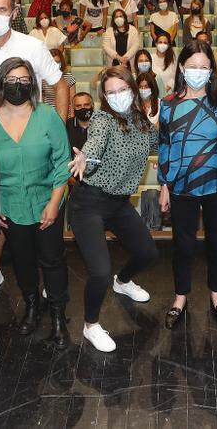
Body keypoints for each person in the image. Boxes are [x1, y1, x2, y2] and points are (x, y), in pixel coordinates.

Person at [0, 59, 71, 348]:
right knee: (22, 260)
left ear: (32, 83)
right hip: (9, 207)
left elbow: (62, 161)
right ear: (0, 83)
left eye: (23, 79)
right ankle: (31, 307)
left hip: (47, 201)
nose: (17, 85)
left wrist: (55, 203)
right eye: (11, 79)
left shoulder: (48, 116)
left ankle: (57, 315)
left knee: (52, 259)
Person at [66, 67, 160, 352]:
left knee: (148, 253)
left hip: (120, 203)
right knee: (99, 272)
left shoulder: (142, 121)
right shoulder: (102, 119)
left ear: (132, 89)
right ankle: (91, 325)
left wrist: (160, 128)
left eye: (122, 89)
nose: (118, 96)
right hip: (89, 202)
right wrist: (86, 160)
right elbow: (94, 144)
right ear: (103, 96)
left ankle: (124, 281)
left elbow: (157, 143)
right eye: (111, 92)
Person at [157, 41, 217, 329]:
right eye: (192, 67)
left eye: (204, 68)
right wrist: (164, 186)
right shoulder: (168, 105)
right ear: (182, 67)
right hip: (181, 186)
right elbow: (165, 147)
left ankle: (216, 296)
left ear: (212, 71)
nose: (198, 72)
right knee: (182, 247)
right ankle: (180, 298)